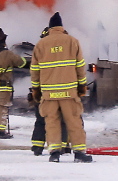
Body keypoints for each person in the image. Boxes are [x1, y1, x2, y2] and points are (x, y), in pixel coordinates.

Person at [31, 12, 92, 162]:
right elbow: (80, 67)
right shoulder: (72, 41)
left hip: (49, 93)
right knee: (74, 121)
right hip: (69, 92)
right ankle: (79, 153)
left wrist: (36, 90)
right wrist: (82, 86)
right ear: (61, 27)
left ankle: (54, 153)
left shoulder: (40, 44)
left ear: (50, 28)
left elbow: (35, 70)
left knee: (51, 122)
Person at [0, 27, 28, 139]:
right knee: (1, 108)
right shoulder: (8, 54)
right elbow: (21, 63)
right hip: (3, 87)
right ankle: (0, 131)